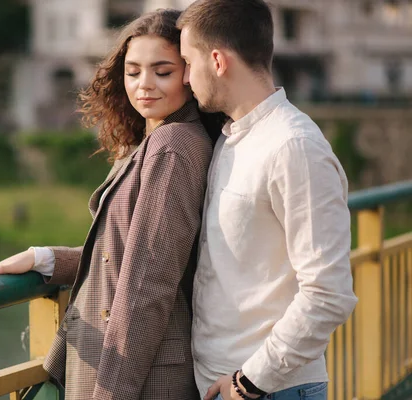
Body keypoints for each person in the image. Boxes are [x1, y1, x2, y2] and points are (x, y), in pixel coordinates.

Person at [0, 9, 223, 400]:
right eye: (133, 72)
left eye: (162, 71)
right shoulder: (153, 141)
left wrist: (112, 394)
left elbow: (148, 284)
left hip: (135, 377)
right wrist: (47, 259)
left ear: (189, 73)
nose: (144, 85)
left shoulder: (173, 145)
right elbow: (124, 256)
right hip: (123, 365)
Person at [176, 1, 358, 399]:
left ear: (218, 61)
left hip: (268, 389)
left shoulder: (294, 146)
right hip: (222, 384)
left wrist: (249, 382)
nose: (186, 79)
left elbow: (329, 294)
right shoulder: (231, 137)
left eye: (188, 62)